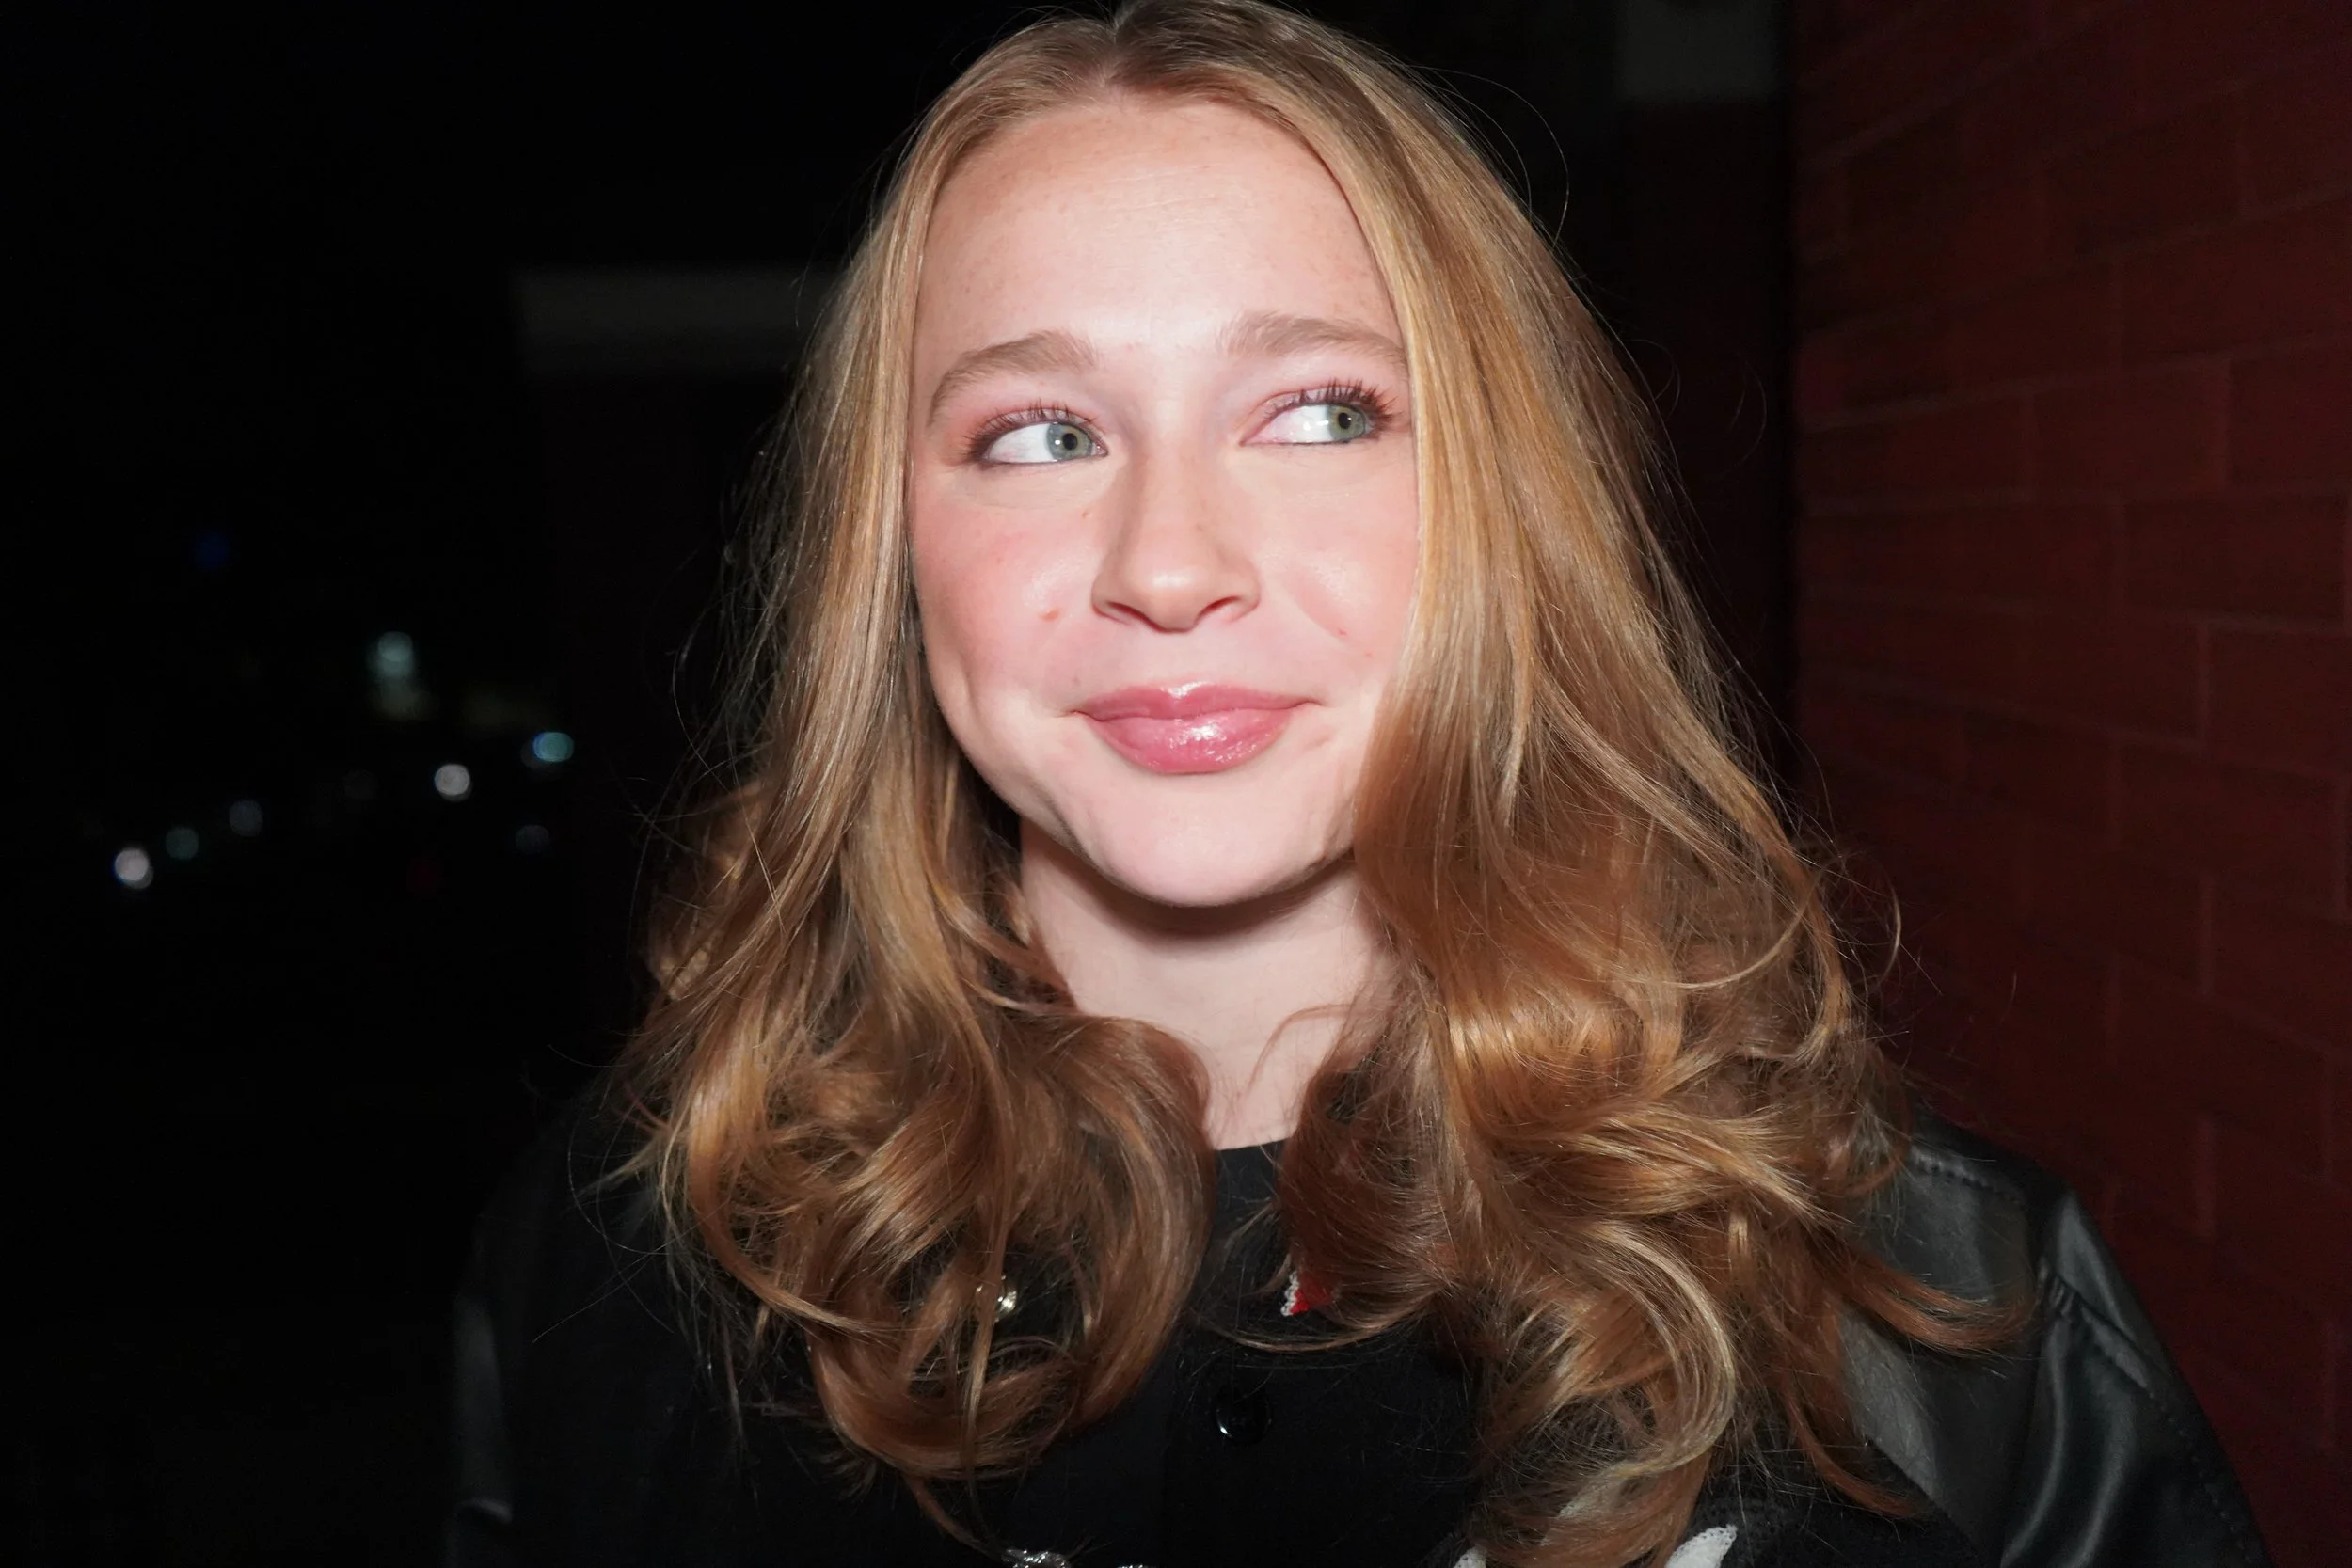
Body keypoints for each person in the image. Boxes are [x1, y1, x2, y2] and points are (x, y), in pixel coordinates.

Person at [447, 4, 2269, 1565]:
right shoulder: (626, 1267)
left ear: (1505, 505)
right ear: (893, 551)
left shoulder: (1935, 1301)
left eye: (1319, 411)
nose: (1167, 561)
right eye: (1039, 432)